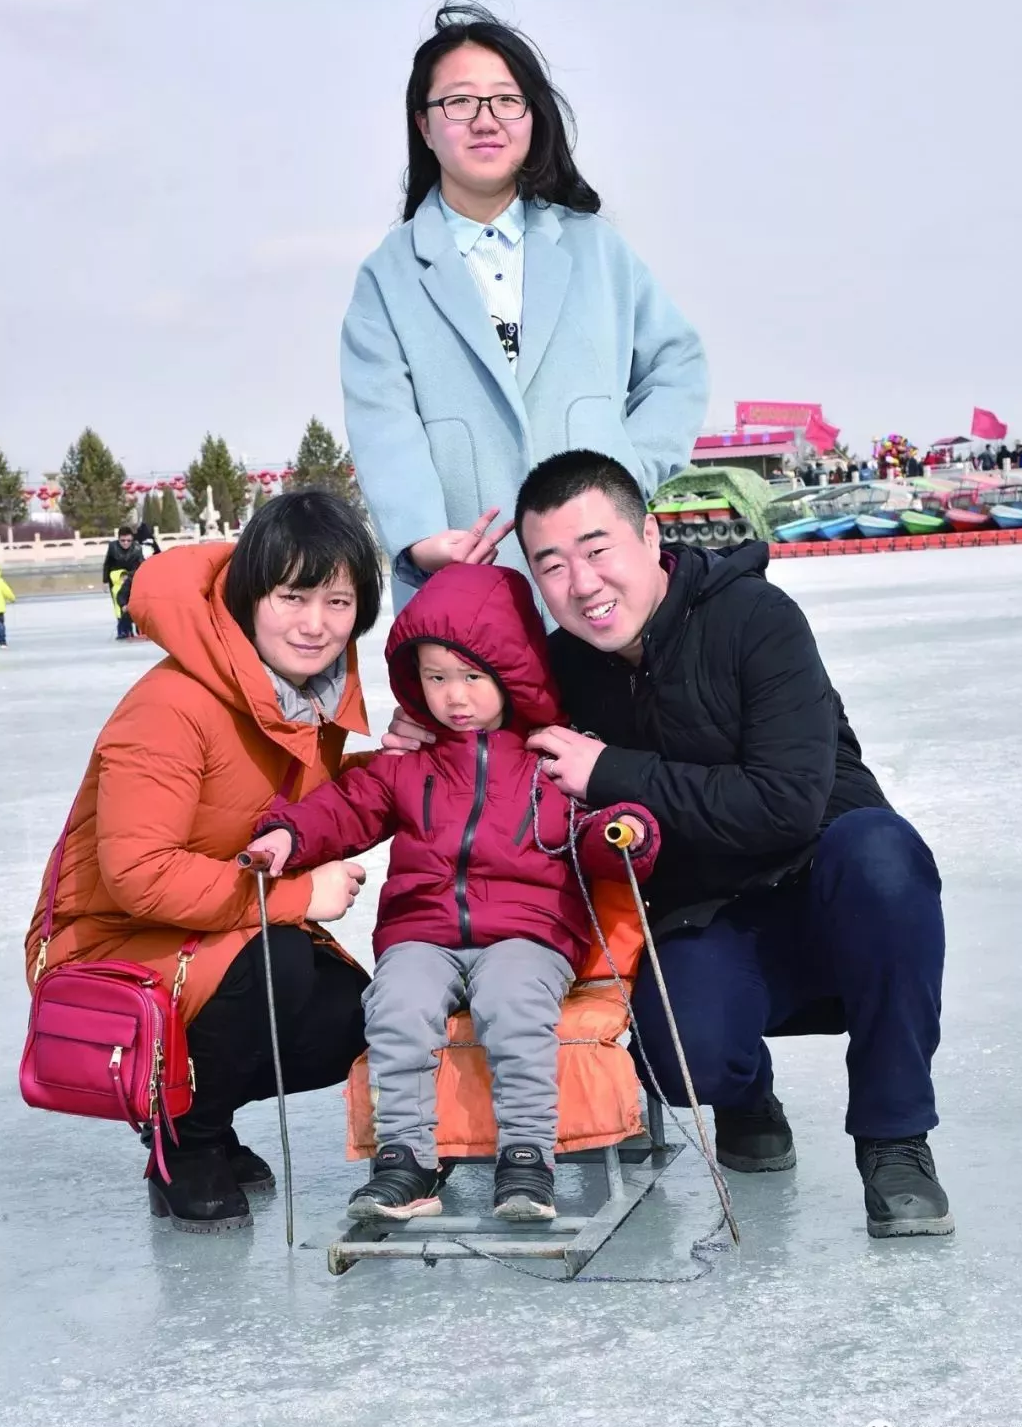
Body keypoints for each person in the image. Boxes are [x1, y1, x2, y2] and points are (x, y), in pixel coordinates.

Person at [385, 450, 953, 1240]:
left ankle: (895, 1138)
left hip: (829, 884)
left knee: (883, 855)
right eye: (551, 565)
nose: (582, 583)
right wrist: (423, 720)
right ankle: (746, 1092)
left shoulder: (758, 619)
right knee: (681, 1056)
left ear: (650, 536)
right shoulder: (562, 670)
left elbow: (787, 804)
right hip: (703, 913)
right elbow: (482, 719)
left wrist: (612, 770)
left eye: (597, 549)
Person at [249, 562, 657, 1222]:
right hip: (423, 933)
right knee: (395, 1007)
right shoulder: (409, 764)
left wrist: (627, 833)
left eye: (471, 677)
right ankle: (405, 1161)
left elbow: (591, 829)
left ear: (512, 674)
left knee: (512, 1005)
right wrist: (288, 835)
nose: (454, 696)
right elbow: (346, 807)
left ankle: (526, 1158)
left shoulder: (552, 759)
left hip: (527, 933)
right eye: (436, 678)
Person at [25, 491, 381, 1234]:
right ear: (250, 596)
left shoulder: (306, 699)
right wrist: (297, 898)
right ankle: (185, 1143)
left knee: (353, 1011)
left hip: (202, 928)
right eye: (292, 597)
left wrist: (407, 766)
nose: (315, 624)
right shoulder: (173, 704)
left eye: (338, 601)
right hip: (105, 944)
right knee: (279, 962)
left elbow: (303, 809)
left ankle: (201, 1114)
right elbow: (140, 873)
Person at [342, 0, 708, 609]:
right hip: (468, 593)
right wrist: (422, 538)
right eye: (460, 102)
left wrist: (626, 474)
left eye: (506, 100)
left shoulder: (595, 248)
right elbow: (382, 421)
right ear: (424, 126)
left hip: (599, 589)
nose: (486, 120)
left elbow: (678, 367)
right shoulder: (389, 275)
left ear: (533, 117)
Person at [102, 526, 144, 639]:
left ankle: (140, 627)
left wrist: (130, 576)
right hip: (116, 580)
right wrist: (105, 581)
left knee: (136, 603)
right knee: (120, 604)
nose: (126, 543)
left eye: (129, 540)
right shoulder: (112, 547)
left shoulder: (137, 548)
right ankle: (124, 630)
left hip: (131, 579)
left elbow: (142, 565)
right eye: (123, 540)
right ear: (119, 539)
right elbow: (107, 564)